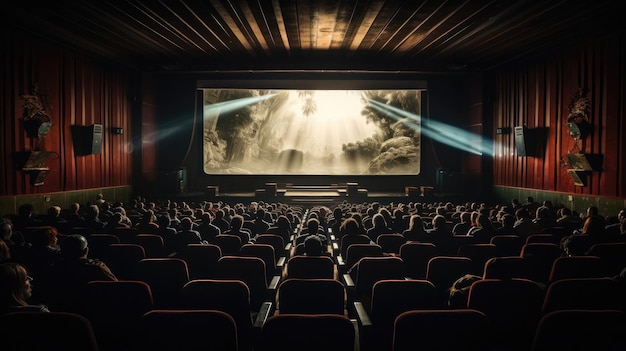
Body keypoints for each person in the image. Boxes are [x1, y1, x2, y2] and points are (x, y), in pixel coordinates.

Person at [39, 234, 117, 312]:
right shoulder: (96, 268)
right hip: (95, 309)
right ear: (86, 250)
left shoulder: (53, 268)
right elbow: (115, 285)